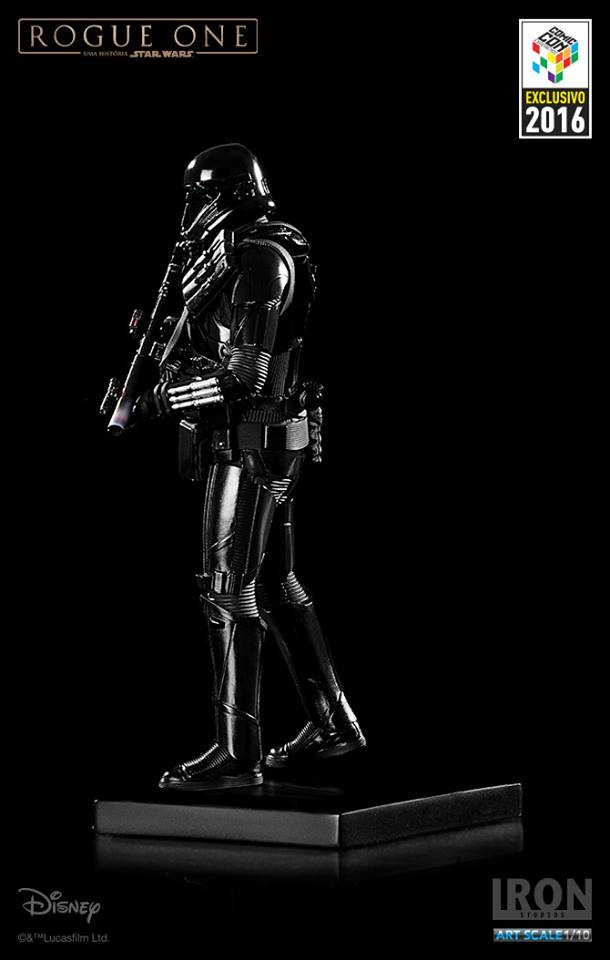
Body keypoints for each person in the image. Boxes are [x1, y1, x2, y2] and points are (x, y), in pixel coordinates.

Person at [133, 143, 365, 790]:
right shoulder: (249, 251)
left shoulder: (259, 259)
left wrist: (162, 399)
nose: (194, 210)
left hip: (254, 439)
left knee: (227, 587)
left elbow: (245, 376)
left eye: (202, 196)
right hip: (260, 436)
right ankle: (334, 724)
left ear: (229, 194)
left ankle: (238, 753)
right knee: (274, 583)